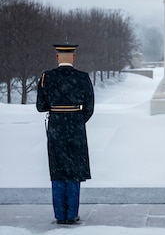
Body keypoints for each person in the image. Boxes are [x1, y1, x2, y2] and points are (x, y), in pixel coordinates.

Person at [36, 43, 94, 224]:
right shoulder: (83, 78)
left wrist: (58, 112)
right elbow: (90, 108)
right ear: (74, 57)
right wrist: (76, 120)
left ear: (57, 57)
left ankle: (60, 215)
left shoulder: (47, 77)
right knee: (74, 171)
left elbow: (40, 106)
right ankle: (72, 214)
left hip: (56, 126)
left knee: (58, 170)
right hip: (75, 126)